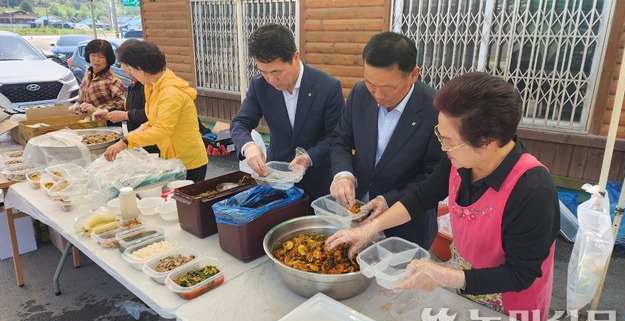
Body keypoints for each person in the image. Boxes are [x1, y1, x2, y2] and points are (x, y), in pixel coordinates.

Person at [327, 72, 560, 321]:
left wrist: (444, 276)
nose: (443, 147)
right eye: (440, 135)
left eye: (448, 141)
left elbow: (520, 274)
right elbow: (422, 196)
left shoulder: (533, 190)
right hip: (467, 289)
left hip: (511, 310)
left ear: (487, 142)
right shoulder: (459, 158)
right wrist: (371, 227)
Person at [330, 32, 443, 249]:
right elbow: (341, 139)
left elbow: (434, 177)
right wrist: (343, 175)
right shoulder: (360, 93)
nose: (377, 95)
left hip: (407, 224)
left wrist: (389, 200)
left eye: (388, 87)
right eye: (371, 83)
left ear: (413, 75)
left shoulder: (435, 110)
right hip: (358, 211)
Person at [230, 24, 344, 201]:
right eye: (263, 71)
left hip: (317, 180)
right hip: (276, 180)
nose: (271, 79)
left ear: (295, 57)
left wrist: (308, 157)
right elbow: (240, 123)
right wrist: (249, 147)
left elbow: (336, 137)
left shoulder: (327, 87)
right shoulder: (260, 85)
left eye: (276, 71)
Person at [103, 40, 208, 182]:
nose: (132, 74)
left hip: (190, 162)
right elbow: (152, 121)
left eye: (132, 69)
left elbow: (162, 129)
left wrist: (127, 142)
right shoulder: (151, 86)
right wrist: (134, 134)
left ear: (140, 68)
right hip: (172, 157)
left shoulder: (170, 93)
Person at [93, 40, 159, 154]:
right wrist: (108, 112)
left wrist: (125, 116)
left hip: (152, 144)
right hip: (140, 140)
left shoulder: (148, 84)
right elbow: (130, 106)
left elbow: (151, 116)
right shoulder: (136, 82)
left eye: (123, 63)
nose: (122, 67)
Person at [68, 39, 125, 115]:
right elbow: (81, 96)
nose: (96, 60)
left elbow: (121, 106)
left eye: (101, 57)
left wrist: (96, 110)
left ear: (108, 59)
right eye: (93, 55)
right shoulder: (88, 73)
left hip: (107, 123)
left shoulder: (113, 80)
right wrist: (77, 104)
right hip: (87, 120)